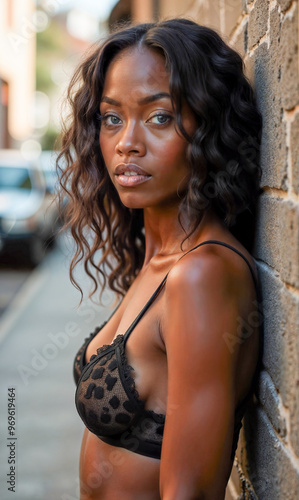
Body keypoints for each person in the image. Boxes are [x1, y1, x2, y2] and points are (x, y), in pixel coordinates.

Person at [58, 18, 263, 500]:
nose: (127, 142)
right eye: (112, 118)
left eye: (159, 117)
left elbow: (188, 492)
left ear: (208, 128)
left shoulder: (201, 275)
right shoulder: (158, 257)